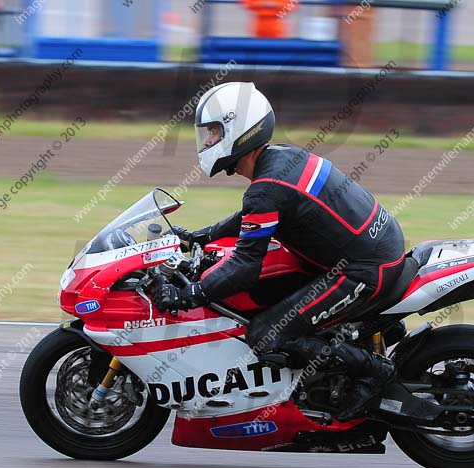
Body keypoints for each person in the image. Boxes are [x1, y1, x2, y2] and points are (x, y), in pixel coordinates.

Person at [153, 82, 407, 420]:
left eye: (214, 133)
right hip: (377, 246)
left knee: (266, 335)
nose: (207, 142)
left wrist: (191, 294)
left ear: (239, 131)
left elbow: (245, 266)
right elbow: (253, 219)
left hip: (364, 269)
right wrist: (202, 236)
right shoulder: (281, 158)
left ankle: (374, 371)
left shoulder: (266, 188)